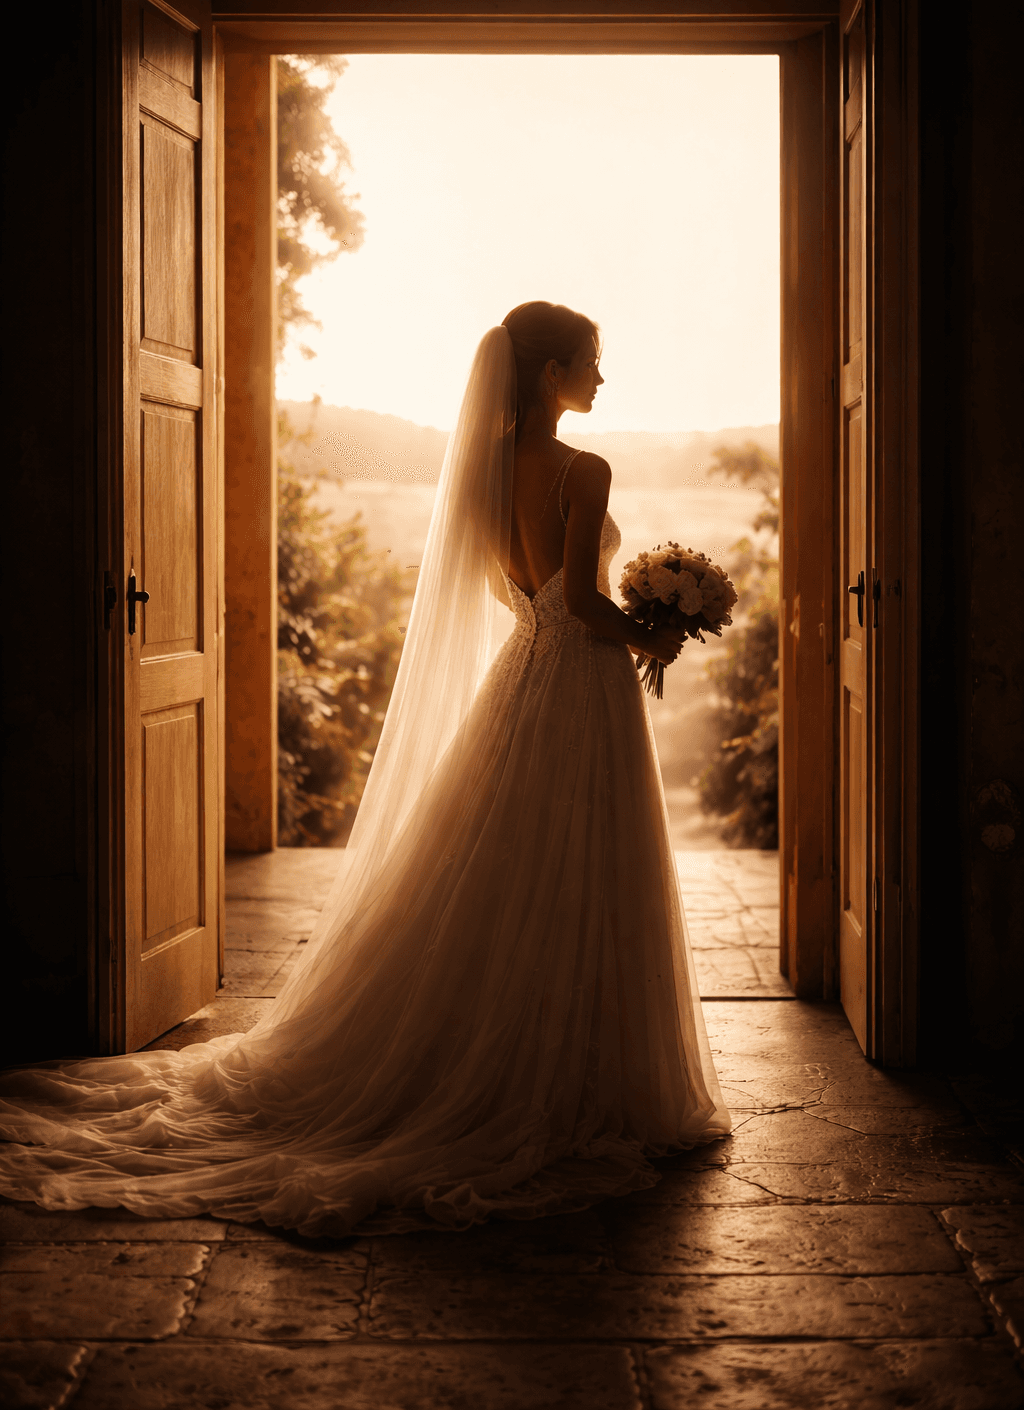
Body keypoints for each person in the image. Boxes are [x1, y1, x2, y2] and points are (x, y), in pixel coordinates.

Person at [0, 303, 730, 1236]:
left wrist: (546, 624)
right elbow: (583, 597)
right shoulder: (584, 468)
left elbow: (501, 584)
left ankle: (500, 1046)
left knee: (499, 862)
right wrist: (651, 633)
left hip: (523, 668)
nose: (601, 377)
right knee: (582, 862)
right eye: (590, 361)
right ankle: (579, 1070)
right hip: (582, 682)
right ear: (549, 373)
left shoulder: (489, 466)